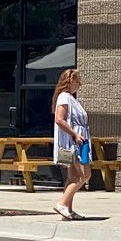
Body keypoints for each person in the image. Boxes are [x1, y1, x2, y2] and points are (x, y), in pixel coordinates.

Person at [52, 68, 91, 221]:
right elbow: (59, 119)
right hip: (72, 143)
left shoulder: (70, 98)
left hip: (75, 141)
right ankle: (62, 204)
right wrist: (74, 134)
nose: (80, 85)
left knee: (73, 176)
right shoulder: (64, 97)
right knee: (84, 174)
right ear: (70, 81)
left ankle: (68, 210)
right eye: (78, 81)